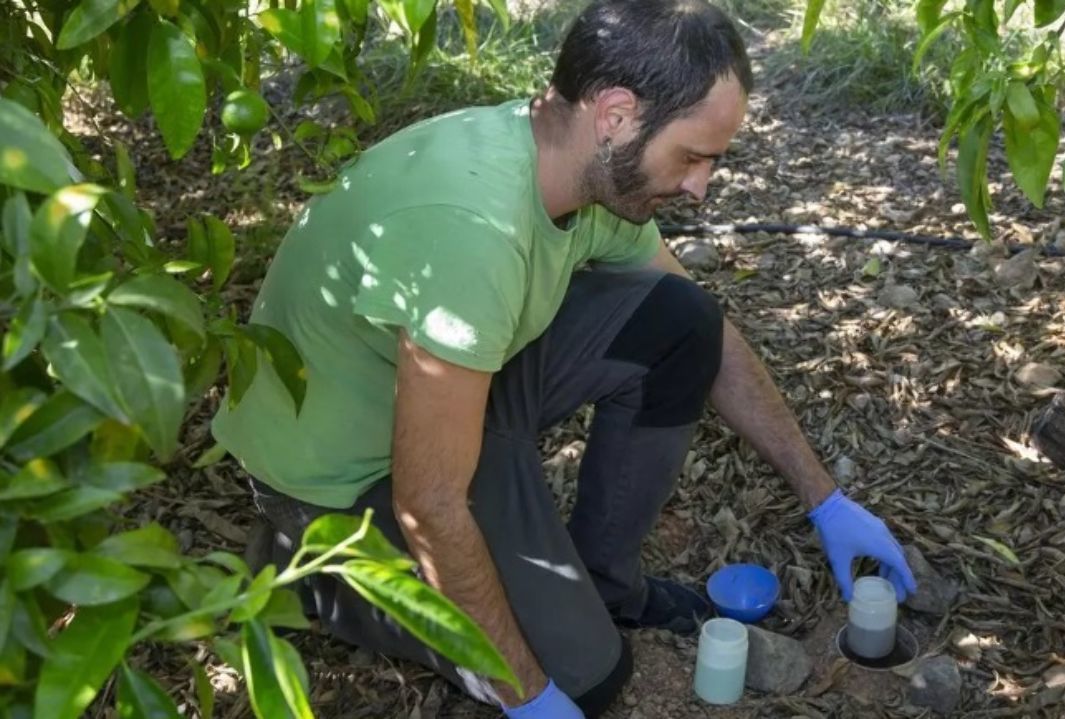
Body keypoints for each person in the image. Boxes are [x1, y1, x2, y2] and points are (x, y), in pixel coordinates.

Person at [212, 0, 917, 716]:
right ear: (614, 113)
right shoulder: (474, 230)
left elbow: (710, 335)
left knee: (684, 322)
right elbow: (426, 499)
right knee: (578, 673)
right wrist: (527, 694)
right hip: (341, 475)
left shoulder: (586, 175)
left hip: (452, 391)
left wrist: (824, 498)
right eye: (694, 155)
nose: (701, 188)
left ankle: (605, 585)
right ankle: (316, 577)